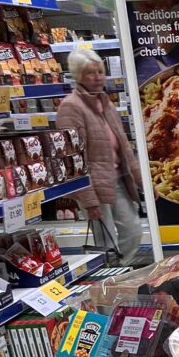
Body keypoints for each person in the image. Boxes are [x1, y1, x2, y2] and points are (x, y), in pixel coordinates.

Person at [56, 49, 142, 264]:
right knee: (106, 240)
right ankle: (108, 281)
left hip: (119, 179)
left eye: (100, 72)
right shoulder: (71, 107)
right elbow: (72, 159)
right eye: (90, 73)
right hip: (94, 184)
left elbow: (123, 145)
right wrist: (87, 199)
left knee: (133, 231)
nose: (97, 77)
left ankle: (121, 270)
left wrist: (142, 182)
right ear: (78, 76)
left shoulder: (106, 103)